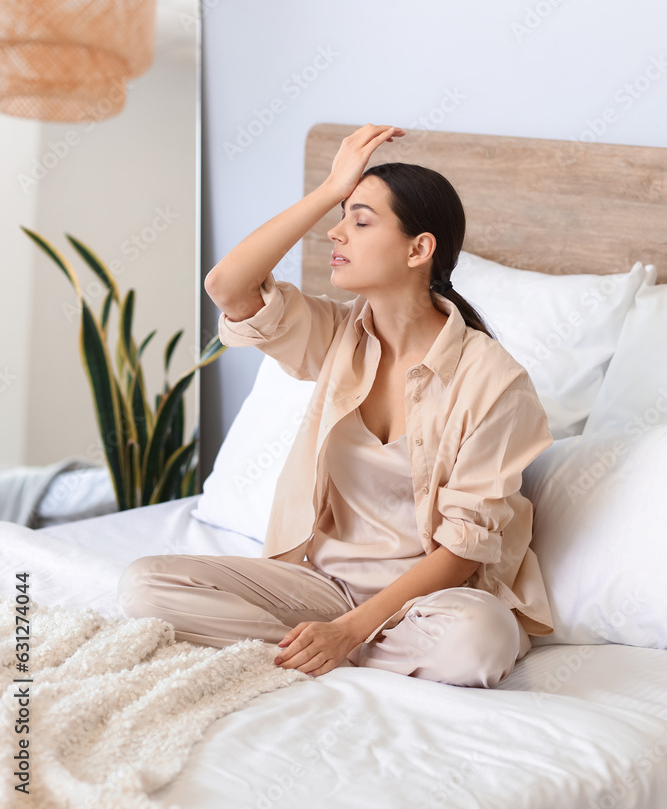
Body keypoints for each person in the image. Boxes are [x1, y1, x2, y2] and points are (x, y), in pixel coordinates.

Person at [117, 123, 554, 687]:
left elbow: (463, 550)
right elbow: (229, 287)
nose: (335, 233)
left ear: (420, 248)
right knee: (144, 585)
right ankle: (327, 652)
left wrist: (350, 631)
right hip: (321, 588)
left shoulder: (493, 380)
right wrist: (331, 188)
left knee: (477, 642)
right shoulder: (337, 335)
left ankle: (327, 650)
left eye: (360, 220)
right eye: (341, 215)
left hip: (432, 602)